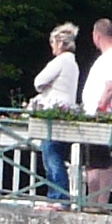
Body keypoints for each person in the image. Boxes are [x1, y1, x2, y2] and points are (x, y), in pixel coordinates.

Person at [28, 21, 82, 207]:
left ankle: (59, 197)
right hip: (64, 115)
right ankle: (56, 197)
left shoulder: (61, 61)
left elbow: (38, 81)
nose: (51, 47)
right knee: (54, 155)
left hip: (53, 116)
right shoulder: (73, 63)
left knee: (52, 157)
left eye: (53, 43)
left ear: (60, 43)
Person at [79, 16, 112, 208]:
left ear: (97, 35)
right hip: (92, 114)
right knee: (93, 161)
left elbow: (109, 88)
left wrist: (100, 110)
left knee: (101, 160)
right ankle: (93, 202)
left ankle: (100, 203)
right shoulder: (108, 57)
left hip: (99, 115)